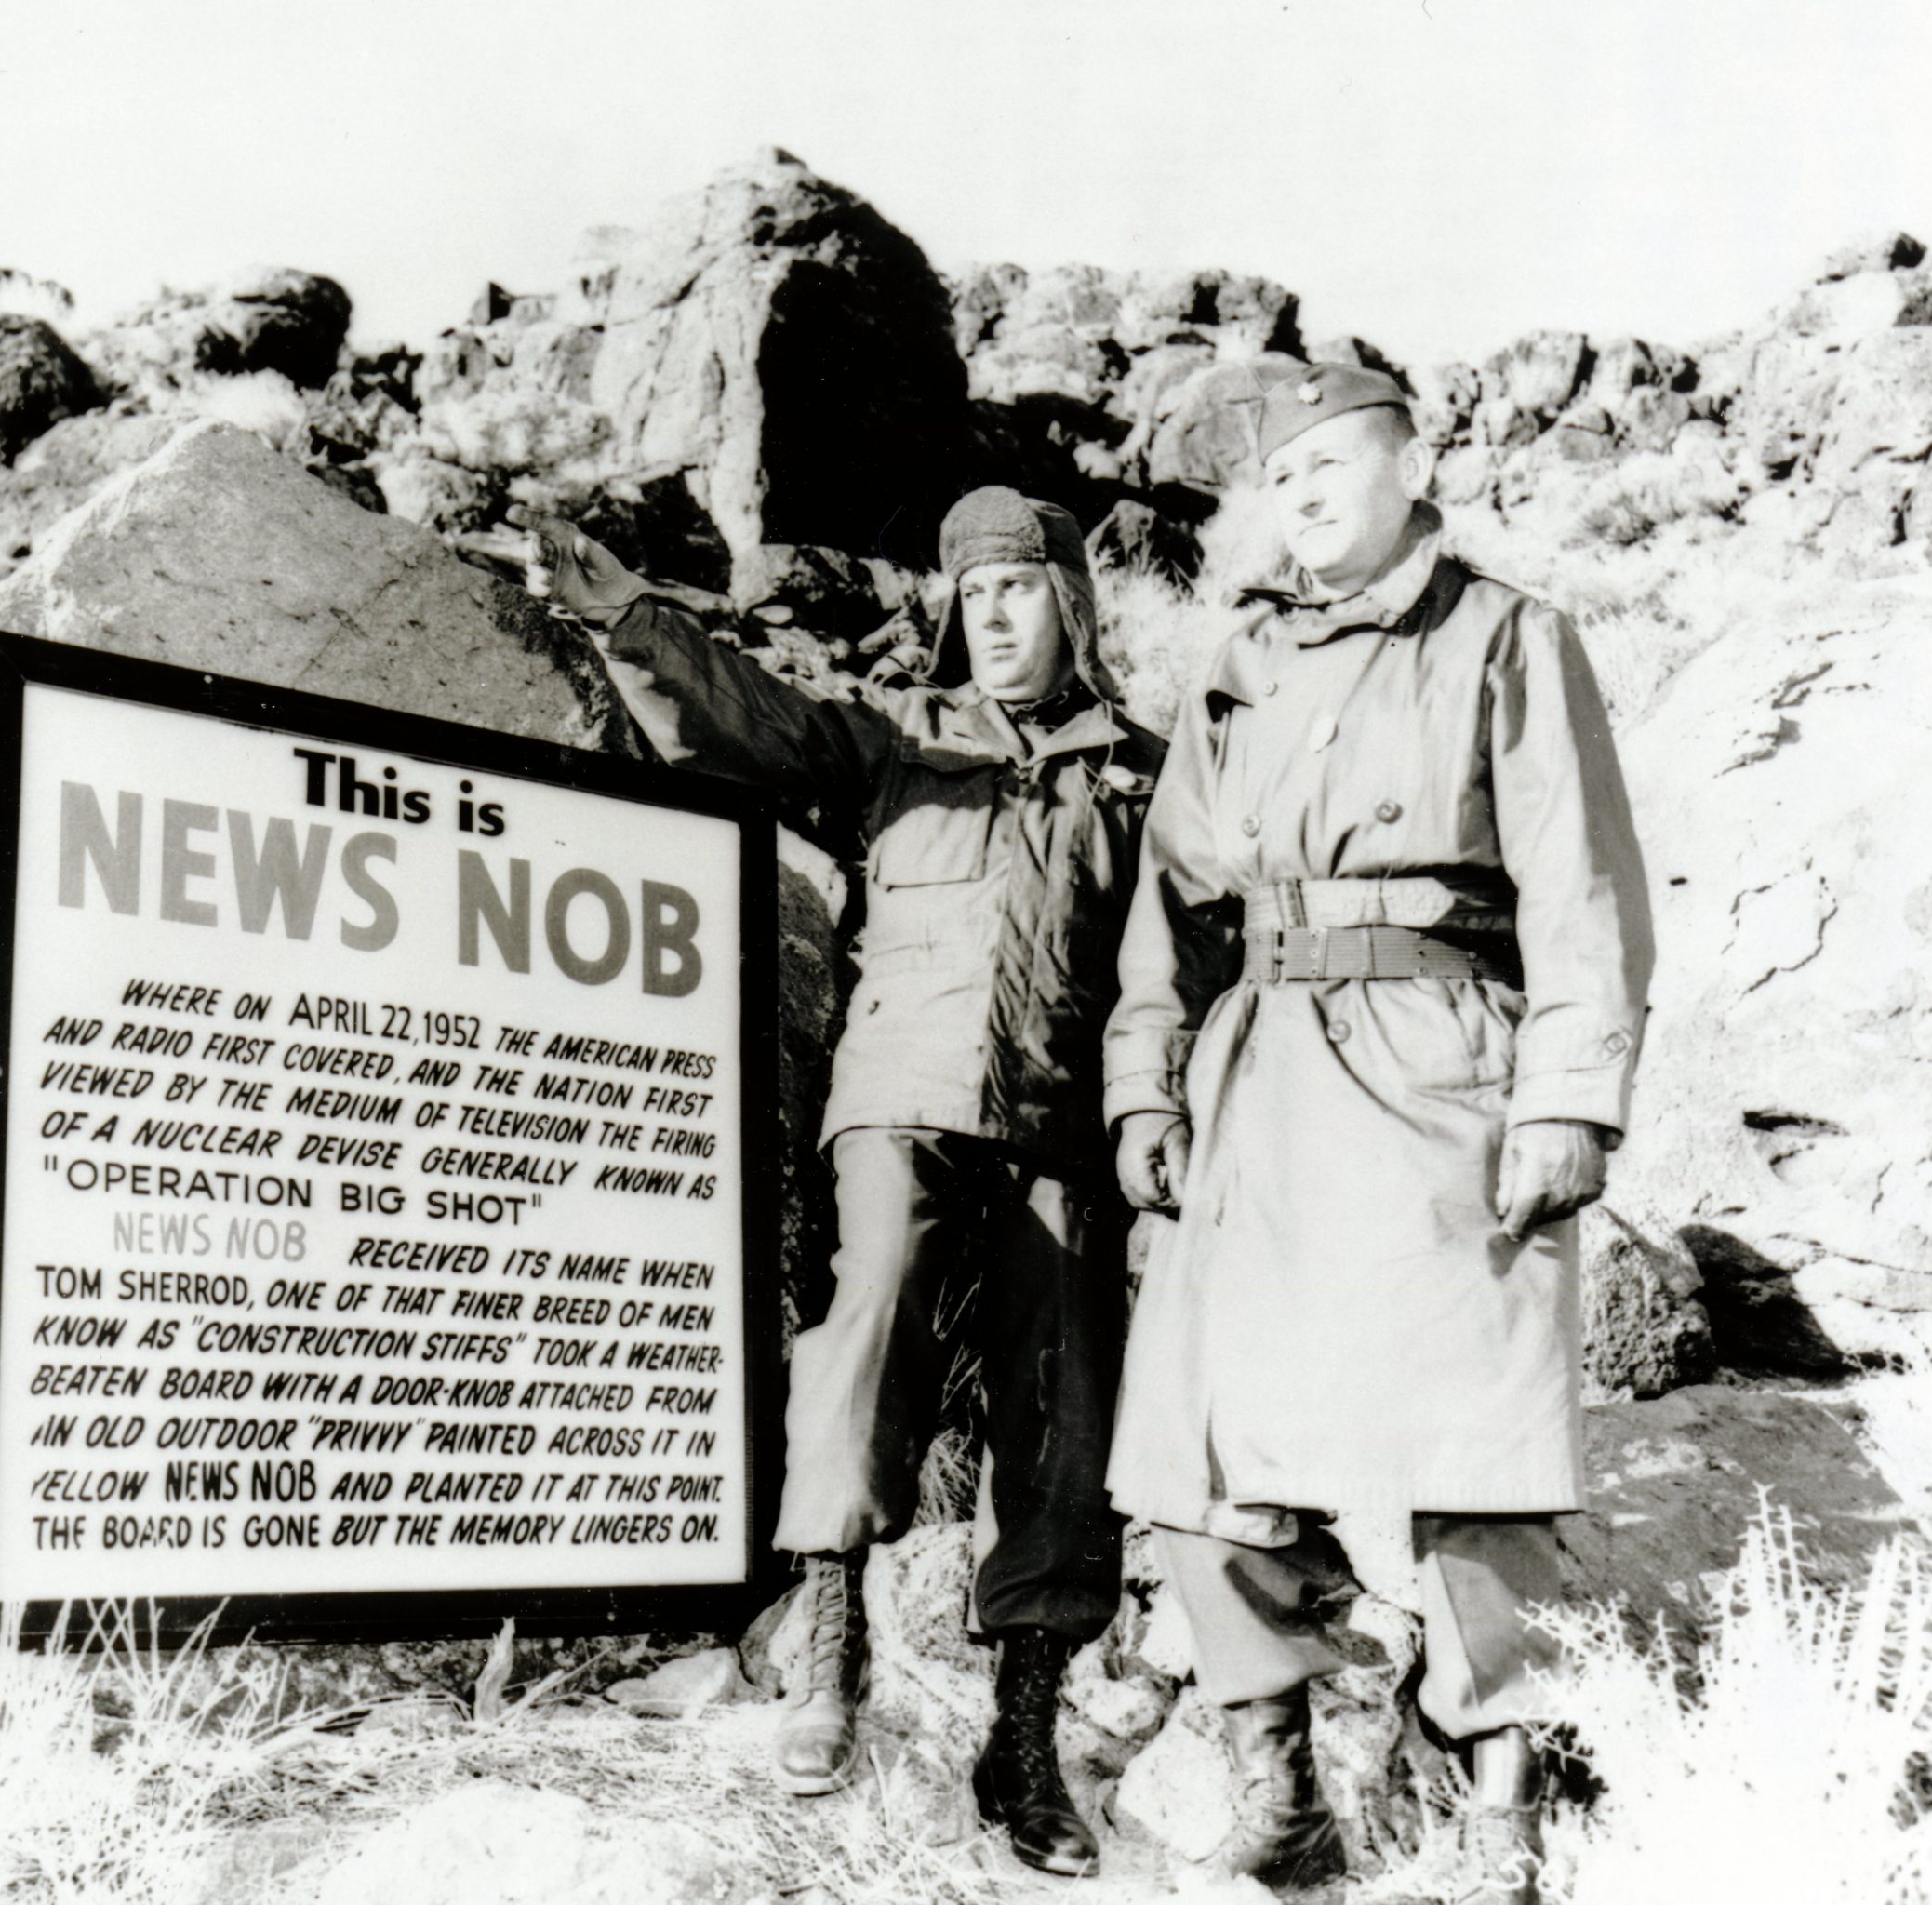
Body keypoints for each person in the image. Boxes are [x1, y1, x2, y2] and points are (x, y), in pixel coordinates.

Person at [495, 488, 1164, 1879]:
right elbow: (742, 716)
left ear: (1074, 606)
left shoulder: (1147, 779)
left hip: (1062, 1134)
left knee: (1070, 1408)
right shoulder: (895, 745)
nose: (992, 616)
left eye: (1020, 589)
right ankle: (827, 1655)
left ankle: (1022, 1737)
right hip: (899, 1106)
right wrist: (630, 620)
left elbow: (1186, 959)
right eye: (971, 593)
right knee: (864, 1339)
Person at [1102, 359, 1654, 1902]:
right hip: (1263, 1073)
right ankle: (1283, 1792)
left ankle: (1502, 1811)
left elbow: (1581, 887)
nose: (1308, 495)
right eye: (1281, 478)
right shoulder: (1243, 664)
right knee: (1207, 1451)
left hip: (1442, 1065)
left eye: (1337, 461)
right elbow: (1173, 905)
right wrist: (1147, 1083)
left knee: (1478, 1453)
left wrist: (1565, 1099)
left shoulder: (1507, 637)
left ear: (1416, 467)